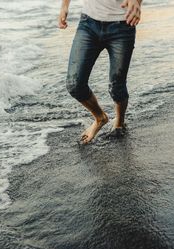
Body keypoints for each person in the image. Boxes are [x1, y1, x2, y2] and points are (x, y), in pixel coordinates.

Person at [59, 0, 142, 144]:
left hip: (123, 25)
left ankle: (120, 122)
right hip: (88, 24)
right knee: (74, 84)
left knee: (117, 86)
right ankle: (100, 118)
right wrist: (64, 6)